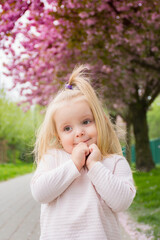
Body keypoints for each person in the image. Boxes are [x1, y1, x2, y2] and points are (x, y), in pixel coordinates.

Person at [30, 65, 136, 240]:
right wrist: (74, 164)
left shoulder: (114, 162)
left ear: (100, 121)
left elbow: (122, 202)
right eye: (67, 128)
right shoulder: (53, 159)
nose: (78, 132)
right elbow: (40, 193)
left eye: (86, 122)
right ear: (58, 135)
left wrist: (94, 165)